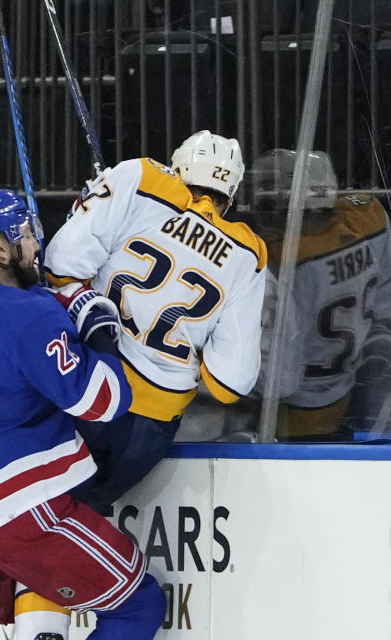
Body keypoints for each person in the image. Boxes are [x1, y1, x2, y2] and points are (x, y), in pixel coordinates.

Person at [0, 188, 164, 640]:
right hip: (14, 510)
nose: (35, 244)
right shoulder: (30, 317)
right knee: (138, 605)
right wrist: (100, 329)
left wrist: (54, 305)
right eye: (24, 234)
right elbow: (104, 402)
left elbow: (13, 326)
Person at [44, 129, 268, 511]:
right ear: (230, 197)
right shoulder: (249, 253)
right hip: (147, 426)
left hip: (84, 385)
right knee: (79, 521)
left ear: (177, 168)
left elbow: (60, 267)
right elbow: (231, 382)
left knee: (33, 519)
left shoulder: (140, 178)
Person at [250, 150, 391, 441]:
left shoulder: (275, 256)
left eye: (270, 201)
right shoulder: (368, 216)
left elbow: (277, 376)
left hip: (296, 405)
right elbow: (389, 302)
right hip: (350, 385)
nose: (266, 213)